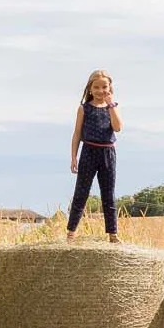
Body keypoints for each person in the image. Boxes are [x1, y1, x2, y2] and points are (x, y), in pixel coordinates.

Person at [67, 70, 123, 242]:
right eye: (97, 87)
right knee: (81, 192)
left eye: (104, 87)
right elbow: (77, 134)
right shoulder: (84, 108)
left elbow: (118, 127)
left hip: (108, 153)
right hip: (89, 151)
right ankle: (71, 233)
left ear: (110, 88)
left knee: (108, 193)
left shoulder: (112, 107)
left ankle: (113, 234)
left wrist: (111, 105)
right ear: (90, 89)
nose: (100, 90)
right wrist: (74, 157)